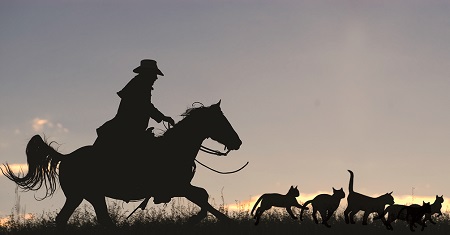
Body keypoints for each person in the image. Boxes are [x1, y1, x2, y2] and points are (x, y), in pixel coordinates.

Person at [94, 59, 175, 153]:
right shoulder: (140, 85)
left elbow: (145, 105)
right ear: (147, 73)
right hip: (128, 129)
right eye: (154, 74)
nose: (156, 78)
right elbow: (145, 105)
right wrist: (163, 117)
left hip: (131, 128)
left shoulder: (139, 84)